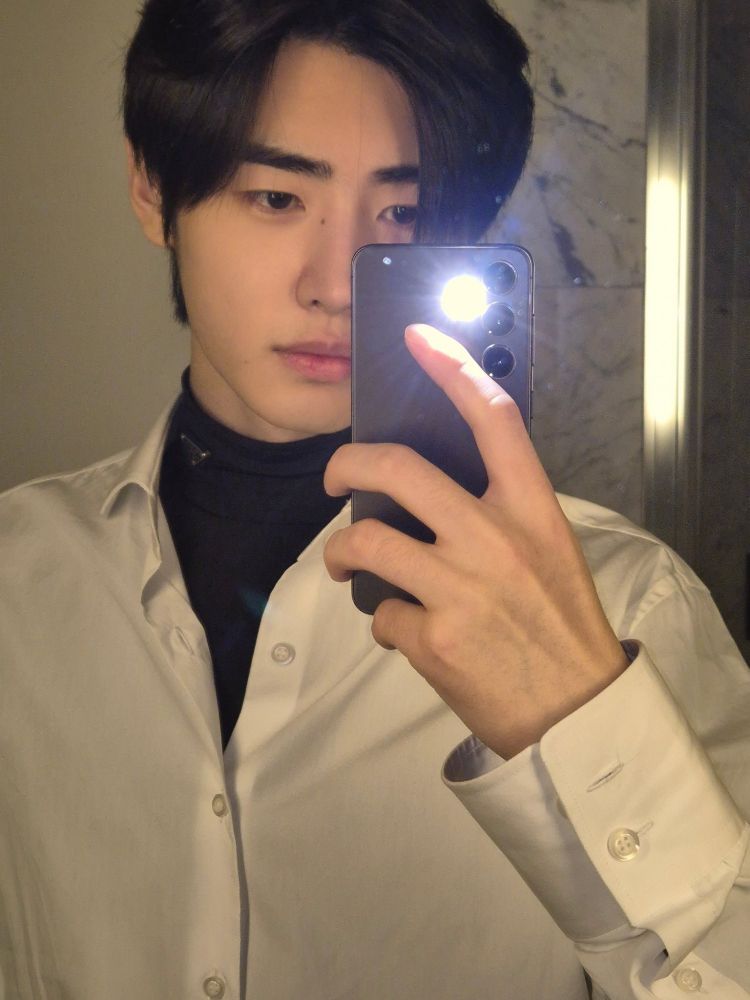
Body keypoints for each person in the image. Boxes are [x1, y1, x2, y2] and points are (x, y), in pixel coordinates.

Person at [1, 0, 748, 997]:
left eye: (402, 213)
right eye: (276, 196)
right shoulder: (18, 582)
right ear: (151, 187)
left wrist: (580, 712)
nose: (339, 284)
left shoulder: (624, 601)